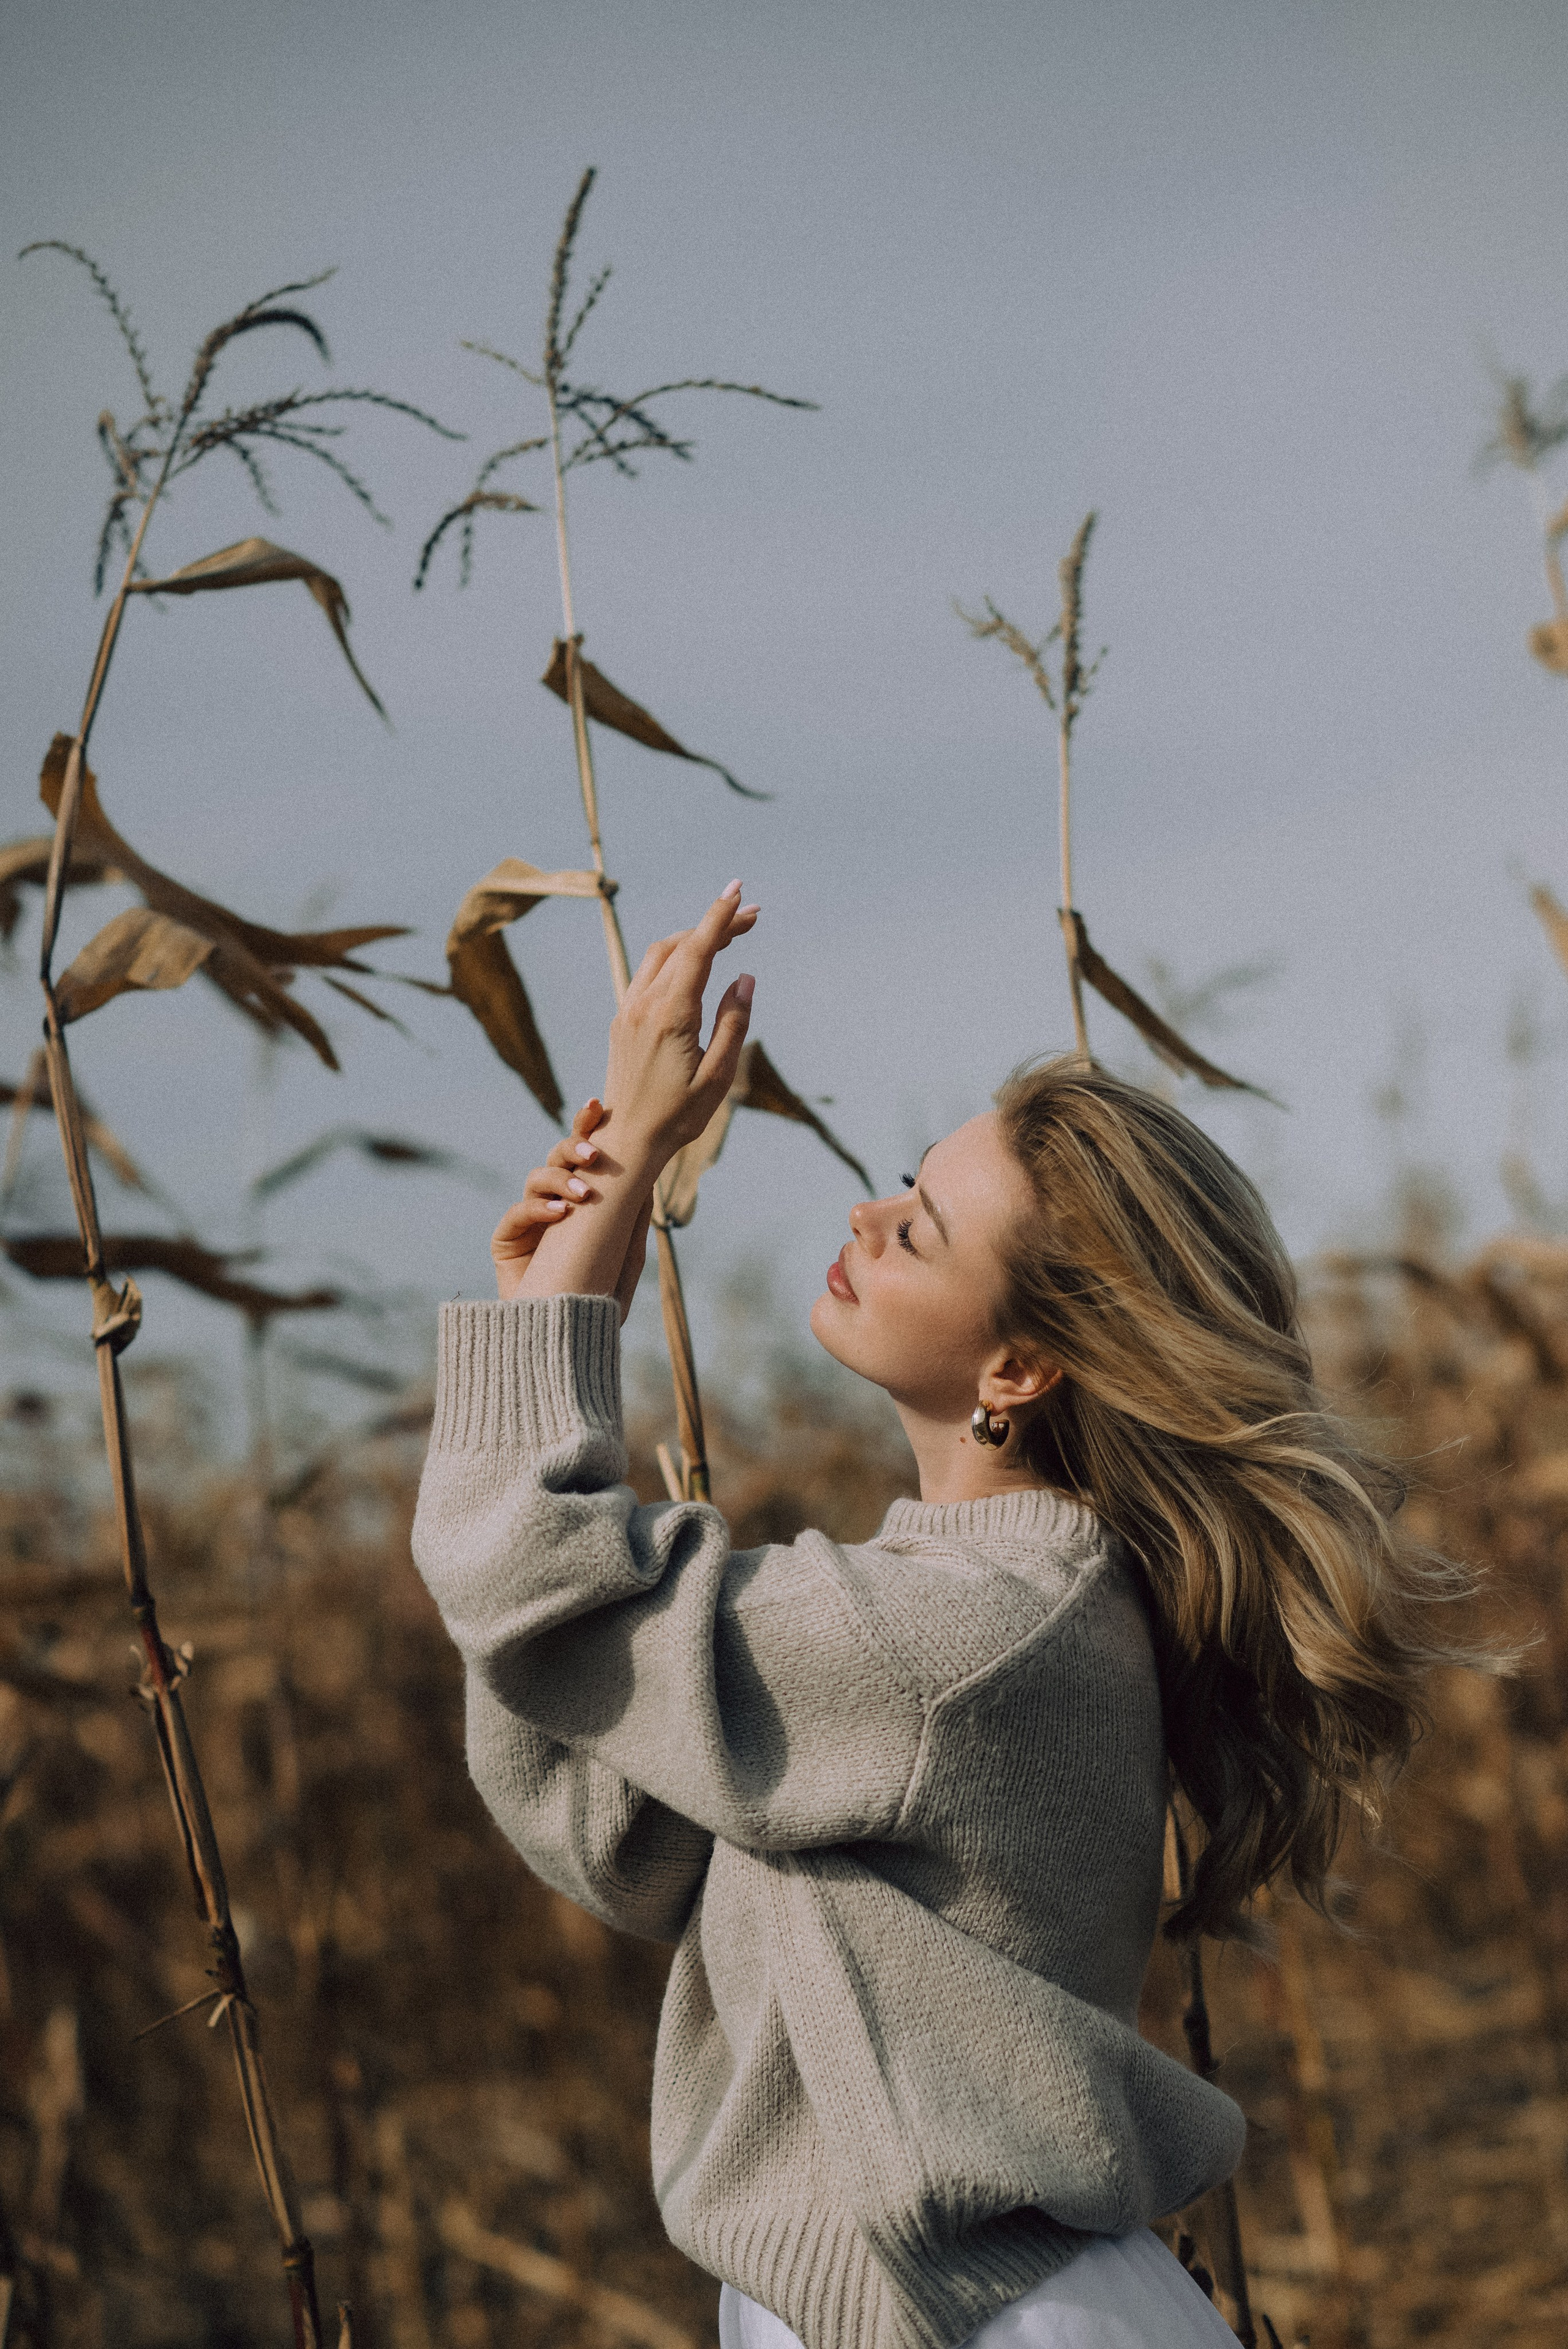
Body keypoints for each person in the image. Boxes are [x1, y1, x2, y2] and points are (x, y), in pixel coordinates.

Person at [412, 883, 1481, 2349]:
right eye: (901, 1183)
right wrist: (557, 1291)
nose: (865, 1213)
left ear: (1025, 1361)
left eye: (916, 1225)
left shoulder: (967, 1641)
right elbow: (618, 1828)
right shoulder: (985, 1611)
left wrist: (624, 1160)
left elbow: (531, 1573)